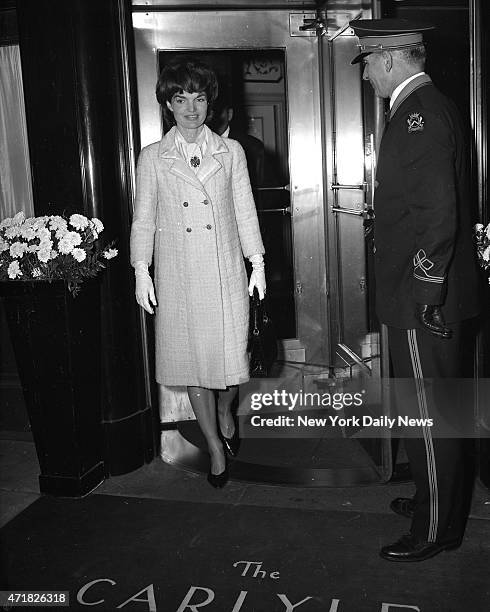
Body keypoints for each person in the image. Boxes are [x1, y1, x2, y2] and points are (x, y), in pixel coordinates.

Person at [349, 19, 479, 561]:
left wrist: (426, 295)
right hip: (427, 294)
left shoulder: (417, 117)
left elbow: (438, 217)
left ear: (386, 59)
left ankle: (434, 530)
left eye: (368, 65)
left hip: (424, 299)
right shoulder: (425, 109)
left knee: (429, 418)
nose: (368, 78)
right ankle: (435, 499)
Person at [130, 59, 266, 488]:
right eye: (181, 99)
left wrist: (257, 261)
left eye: (199, 97)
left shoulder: (232, 153)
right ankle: (213, 448)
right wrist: (140, 268)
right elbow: (143, 219)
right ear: (168, 105)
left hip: (224, 272)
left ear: (211, 103)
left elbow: (245, 210)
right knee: (192, 366)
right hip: (179, 277)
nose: (191, 108)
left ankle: (226, 409)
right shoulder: (152, 157)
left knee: (228, 365)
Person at [209, 91, 265, 189]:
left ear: (229, 114)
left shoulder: (252, 147)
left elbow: (264, 192)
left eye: (218, 112)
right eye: (210, 112)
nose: (213, 117)